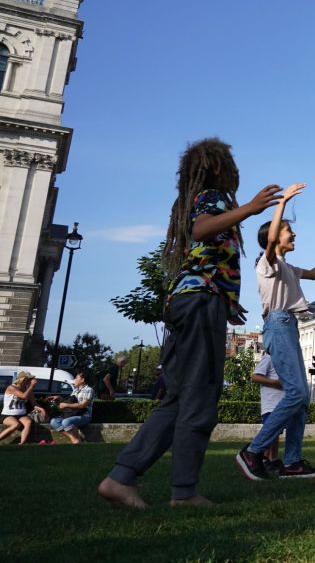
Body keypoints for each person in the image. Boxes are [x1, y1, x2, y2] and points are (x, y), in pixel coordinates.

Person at [99, 138, 282, 509]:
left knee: (178, 399)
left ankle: (121, 478)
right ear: (218, 167)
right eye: (229, 164)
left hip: (195, 301)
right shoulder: (212, 197)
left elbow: (201, 254)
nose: (235, 172)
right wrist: (249, 208)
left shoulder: (201, 198)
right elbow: (202, 231)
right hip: (199, 305)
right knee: (200, 398)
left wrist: (227, 300)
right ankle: (183, 493)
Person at [237, 182, 315, 481]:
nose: (294, 234)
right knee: (297, 393)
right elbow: (272, 242)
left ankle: (292, 462)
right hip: (277, 324)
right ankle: (253, 452)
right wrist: (282, 203)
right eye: (289, 230)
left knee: (301, 398)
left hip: (289, 326)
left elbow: (313, 273)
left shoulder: (287, 268)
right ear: (276, 237)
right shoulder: (268, 263)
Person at [251, 352, 285, 473]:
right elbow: (255, 376)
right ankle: (263, 459)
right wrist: (275, 383)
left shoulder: (284, 361)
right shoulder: (269, 358)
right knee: (271, 434)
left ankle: (272, 459)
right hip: (270, 405)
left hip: (280, 405)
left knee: (275, 435)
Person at [47, 369, 95, 444]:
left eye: (76, 378)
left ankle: (77, 440)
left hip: (84, 416)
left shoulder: (88, 390)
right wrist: (59, 398)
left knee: (66, 422)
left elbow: (83, 405)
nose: (74, 380)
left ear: (82, 380)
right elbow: (70, 401)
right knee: (53, 421)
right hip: (72, 414)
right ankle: (74, 439)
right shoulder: (76, 390)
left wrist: (66, 405)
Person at [0, 371, 36, 445]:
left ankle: (21, 444)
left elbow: (34, 403)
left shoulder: (28, 389)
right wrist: (31, 386)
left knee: (28, 422)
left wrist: (42, 409)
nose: (29, 381)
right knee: (15, 425)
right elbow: (23, 396)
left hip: (21, 414)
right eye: (28, 379)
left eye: (30, 380)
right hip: (7, 414)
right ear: (22, 379)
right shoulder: (11, 387)